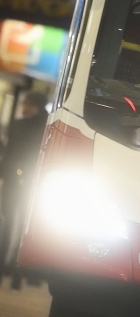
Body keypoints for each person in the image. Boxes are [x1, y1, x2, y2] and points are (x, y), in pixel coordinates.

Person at [0, 90, 49, 289]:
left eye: (29, 104)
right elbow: (10, 152)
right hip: (14, 181)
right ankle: (7, 267)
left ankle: (18, 270)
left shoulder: (42, 128)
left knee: (22, 228)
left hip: (29, 184)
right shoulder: (18, 125)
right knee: (9, 223)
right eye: (24, 104)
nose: (24, 108)